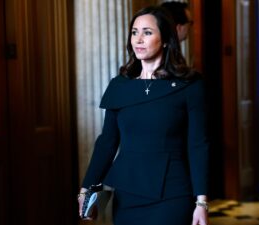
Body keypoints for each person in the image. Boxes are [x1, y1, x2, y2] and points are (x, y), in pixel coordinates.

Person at [77, 6, 209, 225]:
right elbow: (107, 142)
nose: (138, 39)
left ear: (166, 39)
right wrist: (86, 188)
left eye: (147, 32)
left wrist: (201, 202)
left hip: (172, 194)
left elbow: (198, 145)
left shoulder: (189, 86)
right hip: (127, 194)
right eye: (134, 32)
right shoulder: (120, 86)